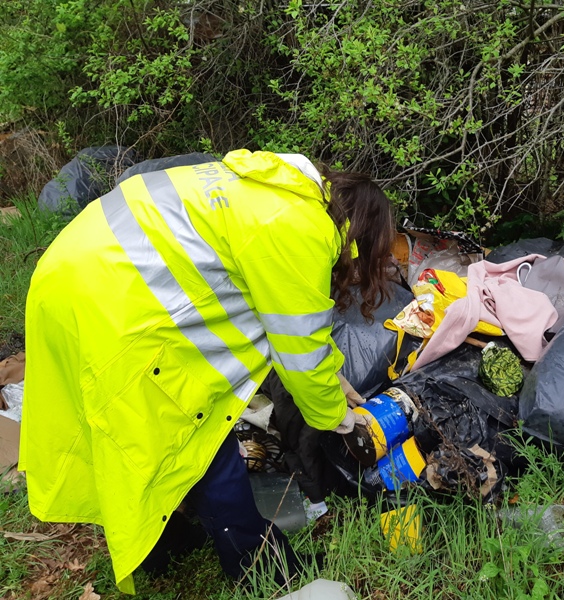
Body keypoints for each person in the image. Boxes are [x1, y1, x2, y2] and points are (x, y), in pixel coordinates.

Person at [19, 149, 395, 593]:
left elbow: (296, 330)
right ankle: (259, 565)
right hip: (113, 302)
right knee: (198, 434)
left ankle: (162, 545)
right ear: (362, 235)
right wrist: (340, 418)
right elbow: (300, 355)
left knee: (137, 431)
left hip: (70, 275)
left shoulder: (275, 189)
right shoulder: (301, 229)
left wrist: (336, 377)